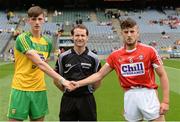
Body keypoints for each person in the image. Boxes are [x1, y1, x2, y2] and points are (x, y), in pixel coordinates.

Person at [70, 18, 169, 121]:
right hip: (129, 95)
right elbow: (99, 75)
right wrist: (78, 83)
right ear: (122, 33)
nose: (129, 35)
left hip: (148, 93)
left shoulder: (149, 51)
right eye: (126, 32)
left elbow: (162, 75)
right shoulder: (115, 55)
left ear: (137, 33)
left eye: (132, 31)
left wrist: (165, 101)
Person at [7, 6, 72, 121]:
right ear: (28, 21)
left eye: (39, 19)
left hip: (39, 89)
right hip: (21, 88)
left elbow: (44, 63)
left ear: (44, 20)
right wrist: (62, 80)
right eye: (33, 19)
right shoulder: (22, 38)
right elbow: (40, 63)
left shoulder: (47, 42)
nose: (37, 22)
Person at [54, 24, 101, 121]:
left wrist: (89, 91)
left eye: (83, 35)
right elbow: (56, 78)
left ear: (87, 37)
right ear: (72, 37)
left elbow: (98, 80)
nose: (80, 38)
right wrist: (65, 91)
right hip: (68, 99)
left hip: (87, 99)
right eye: (77, 35)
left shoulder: (94, 58)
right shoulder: (63, 57)